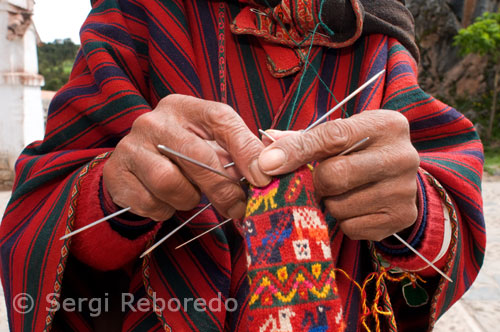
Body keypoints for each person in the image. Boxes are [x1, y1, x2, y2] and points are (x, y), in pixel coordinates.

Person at [0, 0, 485, 331]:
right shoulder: (137, 16)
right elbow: (41, 215)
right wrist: (116, 194)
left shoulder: (375, 29)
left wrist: (416, 211)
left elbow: (443, 193)